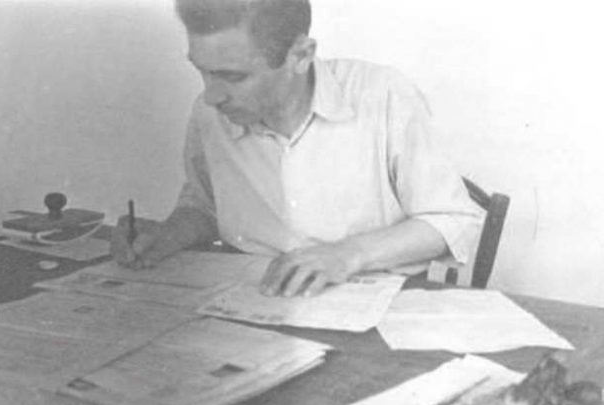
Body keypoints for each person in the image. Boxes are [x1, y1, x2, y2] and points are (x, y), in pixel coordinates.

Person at [111, 0, 480, 297]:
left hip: (370, 303)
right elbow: (205, 207)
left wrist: (348, 255)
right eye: (203, 71)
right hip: (251, 300)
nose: (211, 95)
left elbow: (451, 221)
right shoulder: (209, 114)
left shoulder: (383, 96)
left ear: (300, 55)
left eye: (233, 76)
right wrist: (168, 235)